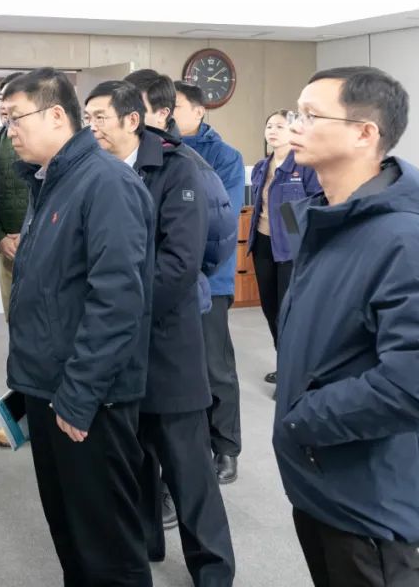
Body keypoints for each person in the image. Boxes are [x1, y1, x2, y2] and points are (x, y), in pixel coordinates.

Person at [275, 67, 419, 587]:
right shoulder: (329, 217)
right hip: (322, 474)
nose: (295, 126)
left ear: (364, 133)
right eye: (296, 113)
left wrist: (302, 419)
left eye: (311, 115)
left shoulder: (404, 237)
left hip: (368, 494)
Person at [3, 68, 154, 587]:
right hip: (49, 385)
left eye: (16, 118)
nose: (9, 131)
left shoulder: (106, 183)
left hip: (87, 397)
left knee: (107, 545)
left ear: (55, 116)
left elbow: (117, 302)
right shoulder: (51, 180)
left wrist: (79, 394)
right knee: (72, 535)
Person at [84, 81, 235, 586]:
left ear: (133, 120)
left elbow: (180, 263)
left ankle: (213, 570)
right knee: (135, 459)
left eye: (100, 117)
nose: (92, 127)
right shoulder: (94, 169)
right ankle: (147, 544)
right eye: (87, 117)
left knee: (187, 467)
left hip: (165, 340)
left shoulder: (177, 167)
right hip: (116, 345)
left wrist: (118, 310)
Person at [125, 69, 237, 529]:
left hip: (189, 291)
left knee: (204, 380)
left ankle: (219, 452)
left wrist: (191, 278)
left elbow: (218, 235)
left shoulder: (190, 162)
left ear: (160, 113)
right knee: (154, 407)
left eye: (136, 109)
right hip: (151, 295)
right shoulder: (125, 158)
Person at [174, 80, 245, 484]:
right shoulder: (160, 149)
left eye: (176, 107)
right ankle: (192, 444)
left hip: (209, 277)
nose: (167, 113)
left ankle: (226, 446)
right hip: (171, 275)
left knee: (215, 367)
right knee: (181, 368)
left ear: (199, 111)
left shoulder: (225, 156)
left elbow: (222, 217)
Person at [247, 110, 321, 386]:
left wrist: (297, 234)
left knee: (289, 313)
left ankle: (293, 375)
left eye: (280, 126)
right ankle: (285, 365)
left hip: (291, 249)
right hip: (262, 244)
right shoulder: (261, 167)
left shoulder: (305, 165)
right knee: (271, 310)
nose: (273, 131)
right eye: (269, 126)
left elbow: (316, 204)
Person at [0, 71, 29, 448]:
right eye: (1, 100)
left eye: (12, 101)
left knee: (45, 335)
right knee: (18, 333)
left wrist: (30, 234)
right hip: (9, 253)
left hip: (45, 249)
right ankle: (20, 419)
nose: (4, 107)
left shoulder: (52, 147)